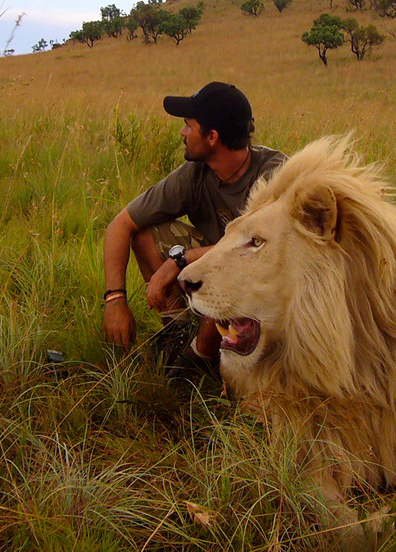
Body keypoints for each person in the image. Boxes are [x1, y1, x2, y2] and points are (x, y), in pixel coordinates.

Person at [101, 82, 287, 372]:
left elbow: (255, 254)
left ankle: (201, 360)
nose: (182, 133)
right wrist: (115, 300)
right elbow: (121, 224)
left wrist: (181, 259)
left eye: (189, 126)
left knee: (224, 274)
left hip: (257, 287)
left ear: (212, 137)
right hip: (215, 272)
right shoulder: (196, 173)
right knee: (144, 233)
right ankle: (176, 336)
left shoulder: (275, 177)